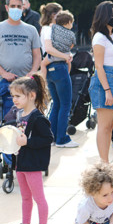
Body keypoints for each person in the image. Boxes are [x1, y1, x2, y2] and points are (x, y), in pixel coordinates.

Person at [0, 0, 42, 173]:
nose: (16, 9)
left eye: (19, 6)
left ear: (23, 8)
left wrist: (32, 73)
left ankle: (24, 158)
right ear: (7, 8)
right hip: (4, 84)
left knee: (28, 121)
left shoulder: (30, 30)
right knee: (1, 120)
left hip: (26, 85)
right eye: (13, 6)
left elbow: (37, 55)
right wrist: (3, 73)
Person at [3, 75, 54, 224]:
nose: (14, 100)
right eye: (13, 96)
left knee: (39, 198)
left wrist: (28, 142)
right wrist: (2, 132)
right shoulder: (18, 114)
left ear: (31, 95)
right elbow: (12, 130)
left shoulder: (38, 118)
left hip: (33, 164)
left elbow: (47, 139)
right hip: (21, 162)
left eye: (18, 96)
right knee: (25, 197)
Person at [89, 1, 113, 163]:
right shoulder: (99, 37)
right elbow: (99, 65)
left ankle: (106, 161)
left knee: (111, 126)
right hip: (106, 82)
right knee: (104, 127)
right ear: (104, 16)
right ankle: (104, 163)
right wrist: (107, 90)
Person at [45, 10, 78, 147]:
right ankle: (61, 139)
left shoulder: (51, 29)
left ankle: (52, 137)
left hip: (50, 68)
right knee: (65, 105)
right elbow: (71, 46)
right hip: (61, 68)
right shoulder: (70, 34)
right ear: (69, 22)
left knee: (56, 104)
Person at [37, 2, 63, 80]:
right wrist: (65, 56)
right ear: (53, 15)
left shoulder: (46, 28)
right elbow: (49, 49)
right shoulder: (49, 29)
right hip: (53, 63)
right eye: (60, 13)